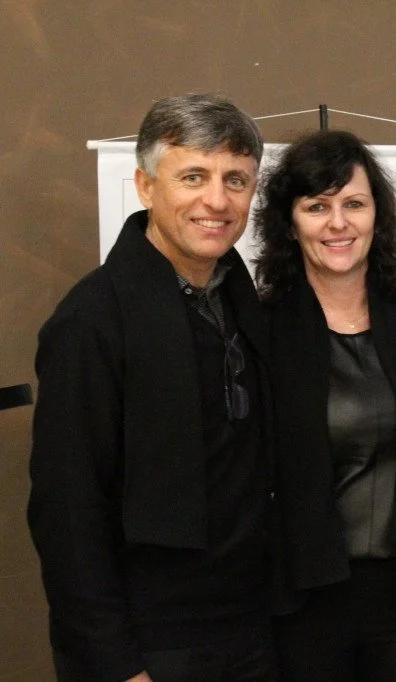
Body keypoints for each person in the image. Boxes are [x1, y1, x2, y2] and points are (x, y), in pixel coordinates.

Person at [28, 94, 276, 681]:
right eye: (193, 176)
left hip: (253, 632)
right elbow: (67, 512)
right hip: (150, 647)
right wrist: (115, 664)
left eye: (236, 180)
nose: (217, 200)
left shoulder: (244, 301)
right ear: (145, 186)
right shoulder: (90, 323)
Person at [254, 129, 396, 681]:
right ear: (290, 222)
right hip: (301, 605)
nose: (338, 223)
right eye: (317, 206)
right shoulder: (260, 332)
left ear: (377, 216)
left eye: (354, 204)